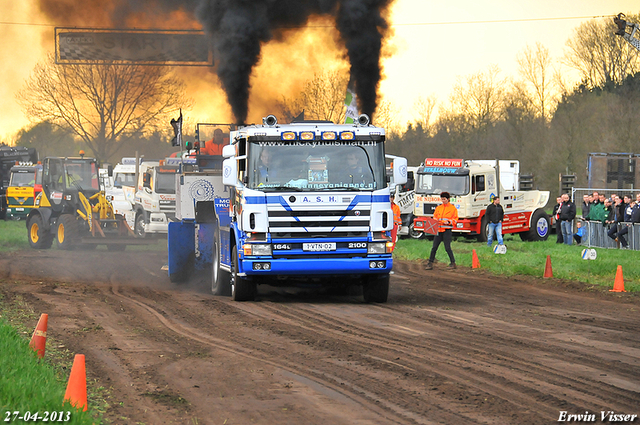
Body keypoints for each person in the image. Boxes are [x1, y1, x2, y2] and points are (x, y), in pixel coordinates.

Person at [424, 192, 458, 270]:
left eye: (444, 199)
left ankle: (453, 263)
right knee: (434, 247)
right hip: (438, 230)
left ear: (448, 199)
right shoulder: (438, 208)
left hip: (447, 230)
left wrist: (449, 222)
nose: (443, 200)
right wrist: (434, 220)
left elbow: (455, 219)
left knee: (447, 247)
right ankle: (430, 263)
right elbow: (435, 217)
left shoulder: (453, 209)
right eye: (442, 199)